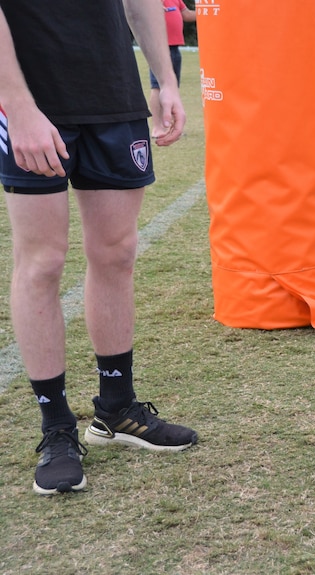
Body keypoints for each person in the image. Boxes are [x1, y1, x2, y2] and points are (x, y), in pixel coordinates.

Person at [0, 0, 198, 496]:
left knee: (116, 253)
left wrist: (164, 81)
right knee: (41, 263)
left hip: (113, 95)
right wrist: (17, 107)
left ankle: (116, 409)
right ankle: (57, 428)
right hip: (32, 100)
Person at [149, 0, 196, 128]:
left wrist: (205, 13)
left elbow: (186, 15)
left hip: (175, 48)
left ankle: (171, 125)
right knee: (157, 87)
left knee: (172, 88)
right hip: (160, 48)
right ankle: (157, 127)